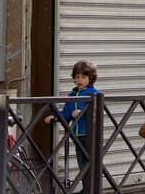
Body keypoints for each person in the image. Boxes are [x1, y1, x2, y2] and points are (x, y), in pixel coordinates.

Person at [44, 60, 99, 194]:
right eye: (77, 77)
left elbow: (96, 109)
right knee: (82, 164)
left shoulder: (93, 92)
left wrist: (82, 111)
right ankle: (87, 189)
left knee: (90, 164)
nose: (80, 80)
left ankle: (91, 189)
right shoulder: (72, 95)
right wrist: (54, 117)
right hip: (77, 135)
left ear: (90, 78)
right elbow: (66, 114)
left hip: (89, 134)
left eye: (83, 77)